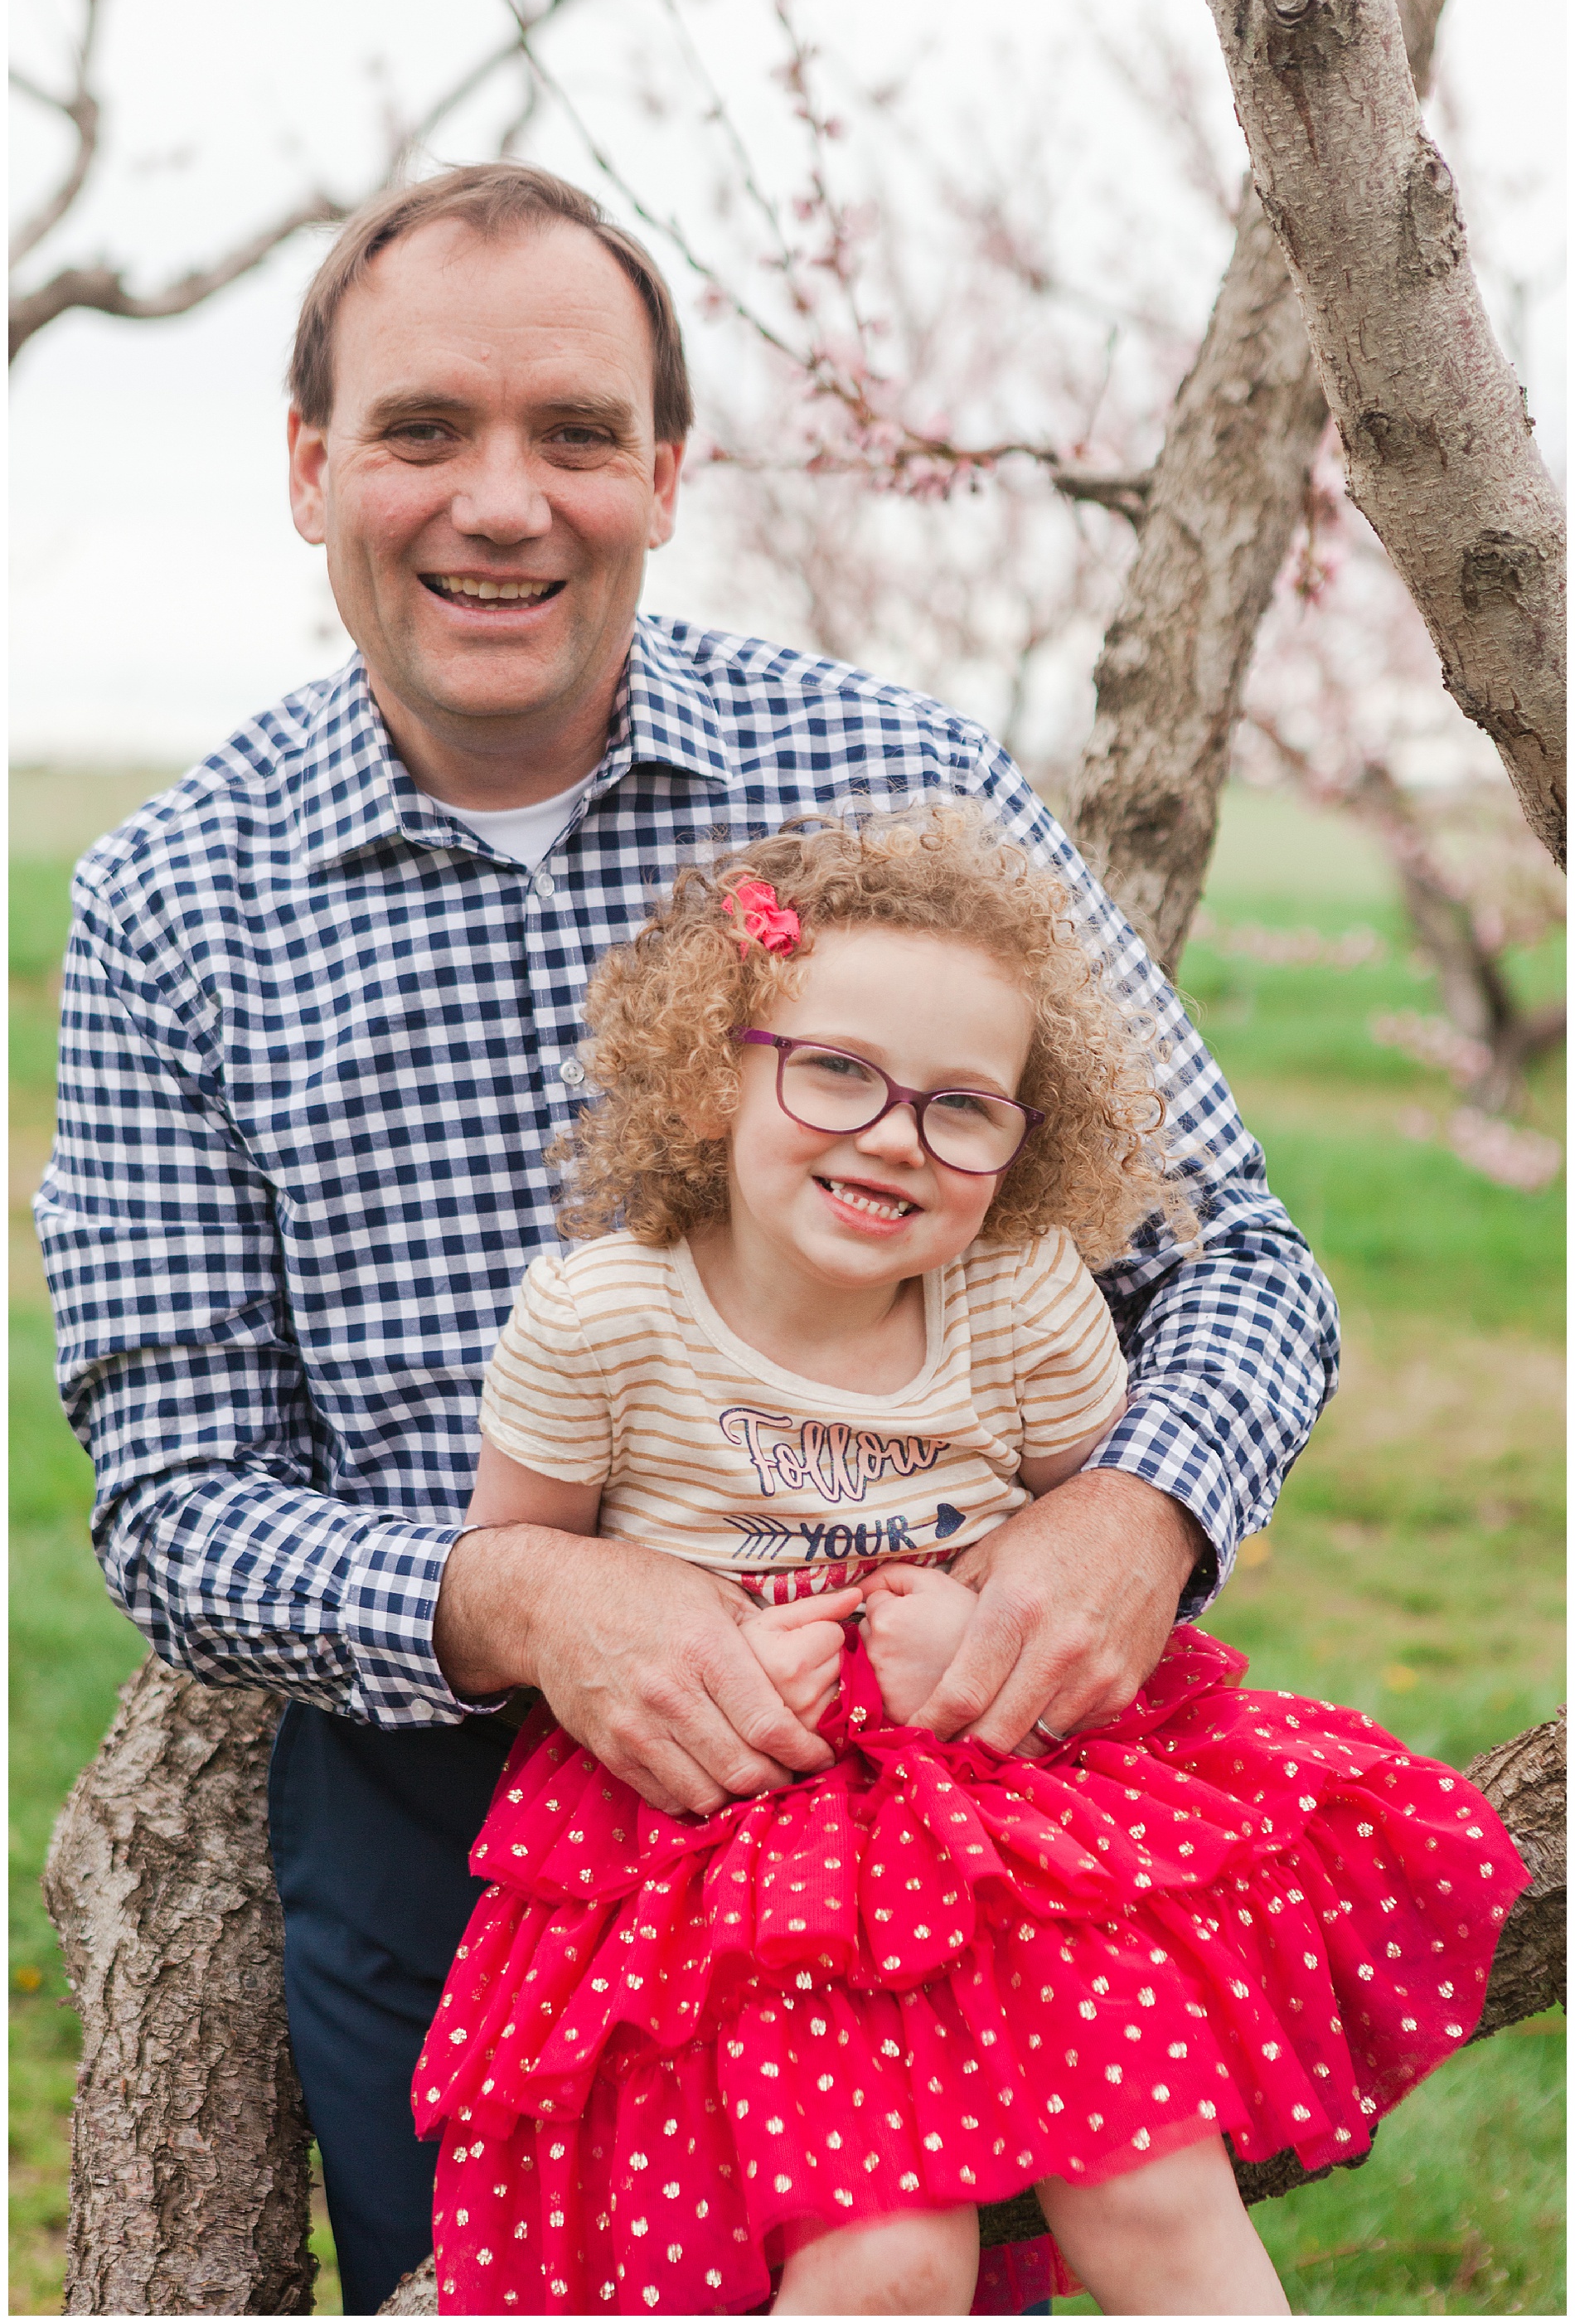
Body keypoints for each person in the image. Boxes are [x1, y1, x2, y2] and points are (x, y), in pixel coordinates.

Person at [37, 163, 1344, 2314]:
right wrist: (536, 1595)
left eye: (570, 435)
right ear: (309, 469)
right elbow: (178, 1511)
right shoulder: (178, 908)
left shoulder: (890, 786)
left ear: (663, 470)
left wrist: (1127, 1525)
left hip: (939, 1786)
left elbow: (1232, 1267)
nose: (500, 504)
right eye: (421, 431)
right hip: (467, 1828)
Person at [414, 808, 1526, 2318]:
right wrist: (702, 1649)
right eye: (836, 1072)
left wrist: (983, 1610)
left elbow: (1092, 1552)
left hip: (1006, 1805)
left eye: (964, 1107)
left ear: (1022, 1143)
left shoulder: (1018, 1305)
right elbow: (525, 1573)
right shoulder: (602, 1321)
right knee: (883, 2257)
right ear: (711, 1072)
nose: (894, 1135)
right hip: (727, 1840)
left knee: (1153, 2194)